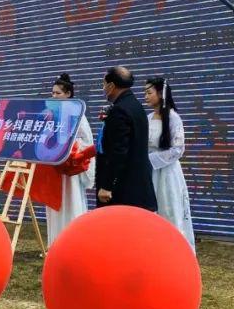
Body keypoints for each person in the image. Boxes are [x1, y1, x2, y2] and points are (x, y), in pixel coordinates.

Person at [94, 66, 157, 210]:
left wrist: (107, 185)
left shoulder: (120, 110)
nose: (103, 89)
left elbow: (118, 151)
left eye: (104, 84)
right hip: (137, 187)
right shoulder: (135, 106)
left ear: (111, 86)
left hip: (123, 190)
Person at [143, 77, 195, 249]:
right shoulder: (148, 118)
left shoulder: (173, 118)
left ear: (160, 93)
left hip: (167, 173)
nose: (145, 96)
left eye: (149, 92)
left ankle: (174, 251)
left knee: (169, 209)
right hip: (149, 172)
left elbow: (178, 149)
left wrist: (150, 160)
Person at [45, 74, 95, 245]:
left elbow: (87, 141)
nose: (54, 96)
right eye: (53, 93)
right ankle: (55, 243)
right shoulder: (51, 113)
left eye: (58, 93)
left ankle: (73, 242)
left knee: (71, 201)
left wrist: (70, 147)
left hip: (70, 169)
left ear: (68, 94)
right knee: (54, 205)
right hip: (54, 168)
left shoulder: (77, 113)